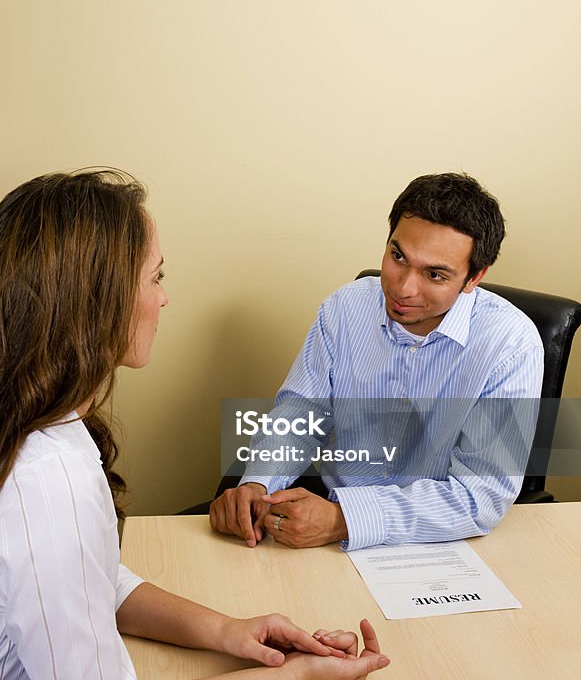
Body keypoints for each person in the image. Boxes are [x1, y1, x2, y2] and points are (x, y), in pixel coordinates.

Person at [0, 170, 389, 680]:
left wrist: (230, 632)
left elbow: (87, 580)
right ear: (95, 301)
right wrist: (297, 678)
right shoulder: (45, 483)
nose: (164, 297)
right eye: (155, 277)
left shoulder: (26, 415)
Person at [210, 172, 544, 552]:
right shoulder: (344, 307)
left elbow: (480, 496)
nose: (403, 288)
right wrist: (259, 484)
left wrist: (343, 520)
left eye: (435, 274)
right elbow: (302, 414)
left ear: (475, 278)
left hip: (440, 543)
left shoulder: (512, 344)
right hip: (326, 533)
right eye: (398, 256)